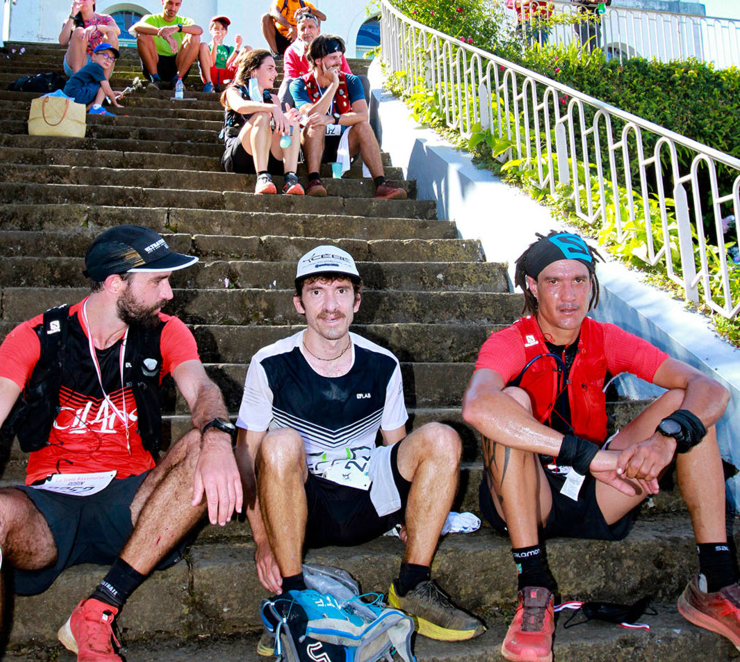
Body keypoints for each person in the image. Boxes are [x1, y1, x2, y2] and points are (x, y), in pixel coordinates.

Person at [0, 225, 242, 662]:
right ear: (115, 283)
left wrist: (219, 438)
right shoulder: (36, 336)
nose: (169, 294)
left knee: (202, 443)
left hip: (133, 501)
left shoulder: (166, 331)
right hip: (52, 500)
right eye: (158, 281)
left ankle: (101, 604)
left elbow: (202, 389)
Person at [462, 230, 738, 662]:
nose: (569, 295)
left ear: (592, 284)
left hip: (596, 492)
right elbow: (477, 406)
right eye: (554, 281)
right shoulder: (510, 341)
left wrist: (666, 440)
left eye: (579, 280)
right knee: (508, 401)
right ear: (532, 286)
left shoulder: (605, 337)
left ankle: (715, 581)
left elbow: (711, 389)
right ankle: (533, 586)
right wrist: (588, 456)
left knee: (688, 409)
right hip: (526, 495)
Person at [236, 245, 485, 643]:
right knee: (279, 443)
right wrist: (264, 540)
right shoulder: (270, 363)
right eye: (317, 292)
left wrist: (411, 517)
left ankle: (412, 585)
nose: (330, 305)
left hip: (368, 502)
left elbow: (398, 448)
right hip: (300, 511)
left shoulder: (383, 363)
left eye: (341, 291)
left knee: (443, 437)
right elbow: (246, 456)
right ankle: (294, 596)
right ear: (299, 303)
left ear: (357, 301)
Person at [290, 35, 407, 200]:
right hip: (312, 142)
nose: (339, 62)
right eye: (333, 58)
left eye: (340, 57)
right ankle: (314, 180)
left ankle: (381, 184)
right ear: (318, 60)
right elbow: (311, 114)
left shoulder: (352, 81)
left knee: (363, 125)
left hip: (343, 143)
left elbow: (363, 114)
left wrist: (333, 119)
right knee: (316, 123)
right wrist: (333, 85)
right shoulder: (300, 84)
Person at [220, 49, 304, 196]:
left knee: (292, 121)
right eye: (270, 68)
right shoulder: (234, 92)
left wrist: (287, 119)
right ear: (253, 71)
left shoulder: (273, 99)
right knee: (263, 115)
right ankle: (262, 177)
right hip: (239, 156)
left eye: (275, 69)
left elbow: (278, 129)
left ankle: (291, 178)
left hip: (268, 154)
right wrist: (270, 108)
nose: (275, 74)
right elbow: (240, 106)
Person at [129, 0, 203, 88]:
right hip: (155, 63)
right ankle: (155, 79)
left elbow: (199, 30)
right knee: (142, 35)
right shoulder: (151, 19)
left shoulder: (184, 21)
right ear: (162, 1)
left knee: (195, 37)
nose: (173, 8)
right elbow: (137, 27)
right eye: (170, 3)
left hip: (177, 65)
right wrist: (162, 33)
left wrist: (177, 28)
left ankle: (178, 80)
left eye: (177, 4)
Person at [277, 9, 352, 105]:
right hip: (305, 94)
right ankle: (282, 113)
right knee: (288, 82)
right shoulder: (292, 51)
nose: (306, 31)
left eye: (310, 27)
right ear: (298, 33)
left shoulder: (333, 47)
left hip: (333, 92)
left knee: (360, 80)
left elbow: (347, 75)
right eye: (302, 28)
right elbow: (291, 78)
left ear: (318, 30)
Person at [57, 0, 119, 77]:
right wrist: (72, 15)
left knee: (111, 34)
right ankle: (77, 80)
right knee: (79, 31)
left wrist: (96, 27)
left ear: (93, 0)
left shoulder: (104, 18)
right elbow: (63, 41)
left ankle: (103, 82)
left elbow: (117, 31)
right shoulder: (71, 20)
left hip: (99, 61)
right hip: (76, 61)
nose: (81, 1)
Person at [261, 0, 326, 58]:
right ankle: (275, 53)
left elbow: (323, 17)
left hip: (298, 39)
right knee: (266, 17)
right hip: (280, 38)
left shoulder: (305, 4)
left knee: (317, 18)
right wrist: (289, 27)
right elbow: (274, 12)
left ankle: (311, 49)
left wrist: (309, 10)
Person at [62, 42, 124, 116]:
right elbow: (106, 89)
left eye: (111, 58)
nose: (108, 60)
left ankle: (87, 109)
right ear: (94, 56)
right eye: (105, 55)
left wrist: (112, 93)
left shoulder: (94, 68)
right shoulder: (95, 67)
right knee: (103, 84)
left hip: (73, 95)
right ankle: (96, 108)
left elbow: (103, 91)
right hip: (75, 93)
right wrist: (116, 104)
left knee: (101, 86)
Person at [197, 15, 244, 93]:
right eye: (216, 29)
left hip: (226, 75)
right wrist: (215, 45)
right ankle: (209, 84)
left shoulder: (229, 48)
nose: (219, 32)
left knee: (246, 49)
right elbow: (211, 63)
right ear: (210, 30)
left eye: (223, 29)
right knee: (203, 45)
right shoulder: (207, 47)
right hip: (211, 73)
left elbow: (228, 65)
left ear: (226, 32)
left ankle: (243, 85)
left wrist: (237, 47)